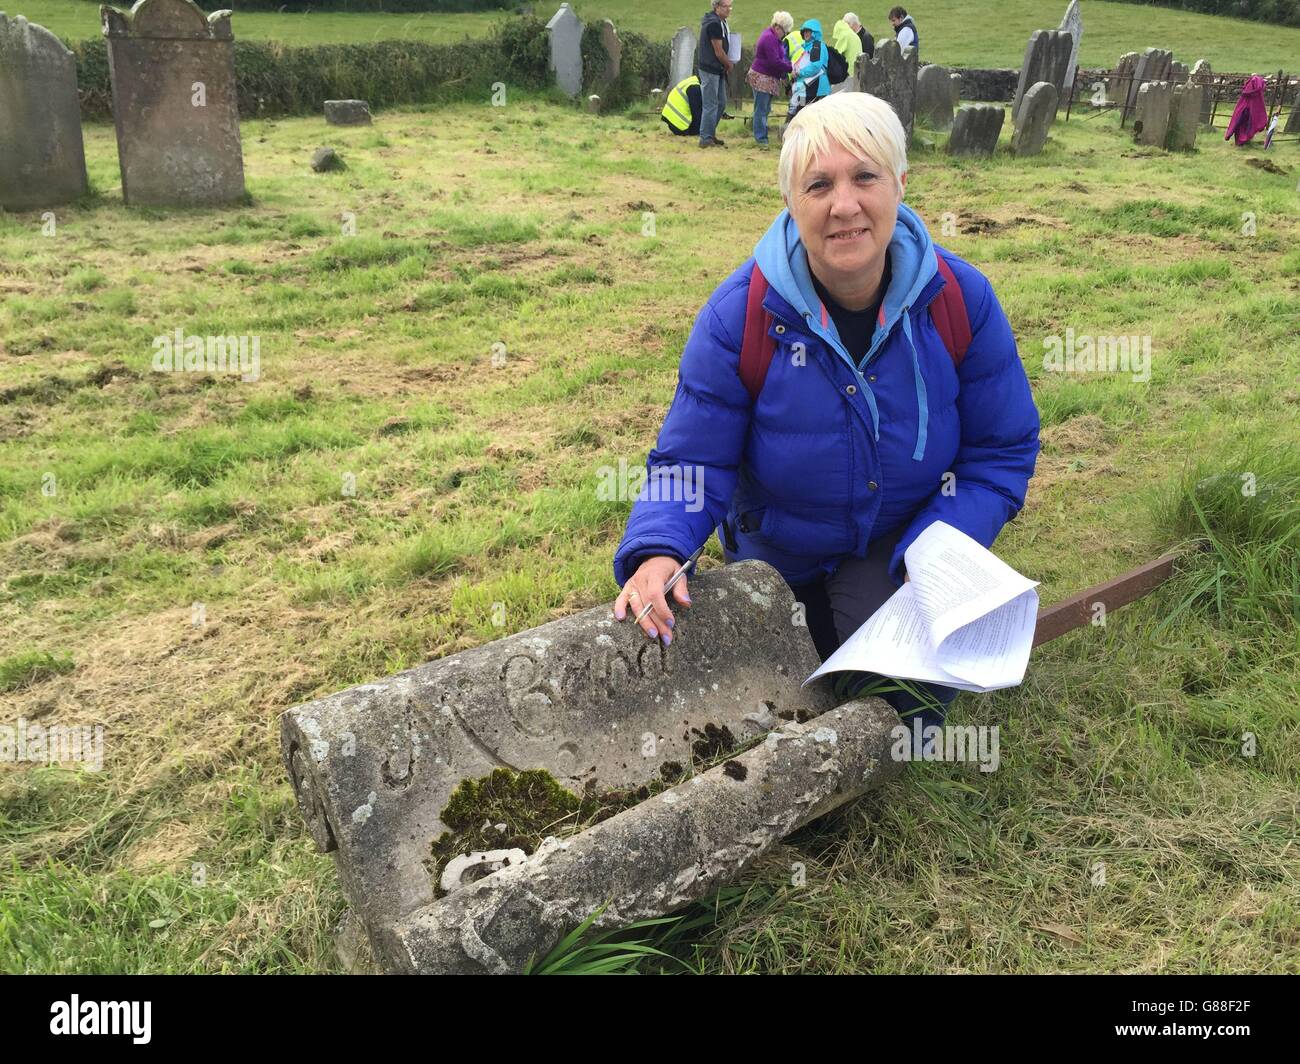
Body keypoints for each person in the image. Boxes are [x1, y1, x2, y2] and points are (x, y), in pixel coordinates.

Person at [611, 92, 1040, 731]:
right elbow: (693, 458)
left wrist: (935, 548)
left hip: (899, 548)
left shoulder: (960, 300)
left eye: (865, 176)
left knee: (906, 711)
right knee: (730, 703)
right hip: (777, 554)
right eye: (819, 185)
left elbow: (1000, 452)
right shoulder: (739, 317)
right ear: (791, 201)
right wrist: (657, 548)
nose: (844, 205)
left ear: (900, 182)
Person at [748, 12, 795, 147]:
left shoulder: (772, 37)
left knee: (764, 108)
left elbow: (778, 60)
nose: (785, 34)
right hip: (762, 77)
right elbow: (775, 61)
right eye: (785, 31)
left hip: (766, 77)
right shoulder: (770, 38)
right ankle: (761, 139)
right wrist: (791, 68)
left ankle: (761, 135)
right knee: (761, 109)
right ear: (779, 27)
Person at [698, 0, 735, 148]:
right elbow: (718, 52)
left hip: (716, 68)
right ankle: (705, 138)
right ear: (716, 6)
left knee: (721, 103)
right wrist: (728, 63)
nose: (729, 9)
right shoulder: (714, 23)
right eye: (726, 6)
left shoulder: (720, 21)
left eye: (730, 6)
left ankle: (710, 133)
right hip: (710, 68)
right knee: (711, 104)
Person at [793, 19, 831, 112]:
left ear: (814, 33)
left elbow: (815, 66)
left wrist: (799, 72)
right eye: (804, 31)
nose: (806, 33)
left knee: (811, 116)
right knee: (801, 114)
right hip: (804, 89)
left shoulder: (817, 46)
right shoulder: (805, 47)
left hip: (817, 90)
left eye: (808, 31)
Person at [830, 13, 864, 93]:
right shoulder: (854, 35)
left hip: (848, 74)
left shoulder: (845, 35)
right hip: (856, 73)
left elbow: (836, 55)